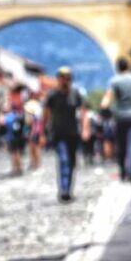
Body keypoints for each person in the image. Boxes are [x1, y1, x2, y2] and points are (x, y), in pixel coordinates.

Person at [101, 57, 131, 182]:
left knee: (121, 145)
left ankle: (122, 171)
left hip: (119, 116)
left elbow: (107, 99)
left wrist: (105, 108)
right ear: (127, 66)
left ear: (117, 68)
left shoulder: (114, 81)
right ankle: (130, 170)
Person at [43, 66, 84, 202]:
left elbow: (83, 111)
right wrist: (44, 132)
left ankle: (68, 189)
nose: (64, 81)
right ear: (58, 79)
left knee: (72, 162)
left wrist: (85, 129)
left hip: (73, 134)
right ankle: (64, 190)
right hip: (58, 134)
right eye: (62, 78)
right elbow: (46, 114)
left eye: (67, 78)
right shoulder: (52, 95)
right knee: (64, 160)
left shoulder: (75, 94)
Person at [3, 104, 26, 176]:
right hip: (18, 137)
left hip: (11, 137)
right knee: (17, 153)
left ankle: (17, 168)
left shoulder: (9, 117)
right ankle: (19, 168)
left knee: (14, 153)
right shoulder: (17, 115)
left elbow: (4, 124)